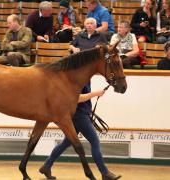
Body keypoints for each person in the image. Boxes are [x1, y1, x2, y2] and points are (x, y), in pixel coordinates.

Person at [39, 17, 121, 180]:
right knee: (95, 142)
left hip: (82, 112)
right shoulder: (76, 77)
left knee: (66, 143)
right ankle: (105, 174)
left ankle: (46, 166)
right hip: (79, 114)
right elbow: (76, 98)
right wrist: (94, 94)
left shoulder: (85, 74)